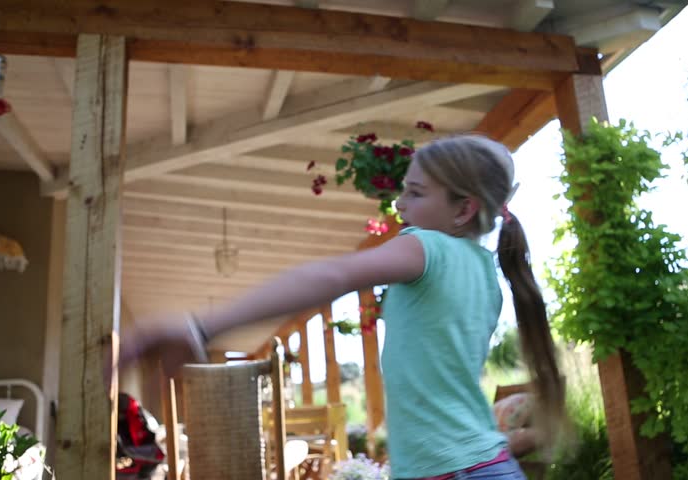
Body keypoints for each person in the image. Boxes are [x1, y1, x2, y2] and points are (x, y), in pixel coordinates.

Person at [117, 134, 567, 480]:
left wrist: (202, 326)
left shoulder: (427, 248)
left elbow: (332, 277)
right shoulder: (486, 275)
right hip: (482, 466)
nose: (400, 203)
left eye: (415, 192)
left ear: (463, 209)